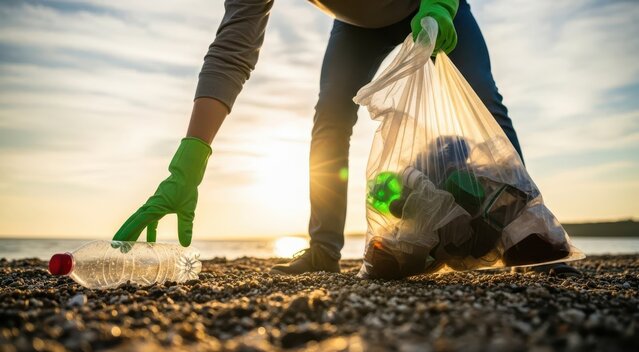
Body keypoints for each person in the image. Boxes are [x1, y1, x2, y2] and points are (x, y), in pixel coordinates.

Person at [113, 0, 579, 276]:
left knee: (483, 100)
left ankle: (525, 226)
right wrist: (188, 164)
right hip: (356, 25)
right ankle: (323, 248)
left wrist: (439, 3)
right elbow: (233, 49)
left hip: (431, 4)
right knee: (330, 117)